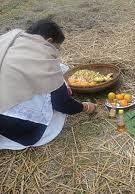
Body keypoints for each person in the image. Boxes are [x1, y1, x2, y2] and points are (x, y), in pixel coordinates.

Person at [0, 19, 96, 150]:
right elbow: (63, 105)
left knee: (61, 68)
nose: (55, 52)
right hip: (13, 127)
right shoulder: (43, 58)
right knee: (53, 106)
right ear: (49, 41)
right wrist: (85, 107)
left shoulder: (9, 37)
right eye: (56, 48)